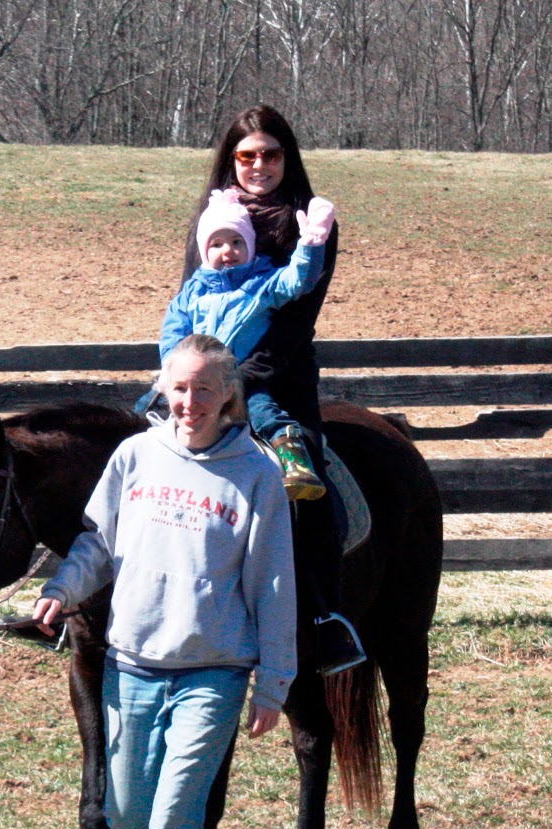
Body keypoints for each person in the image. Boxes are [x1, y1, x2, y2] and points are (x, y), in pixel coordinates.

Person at [31, 334, 297, 829]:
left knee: (175, 815)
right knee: (125, 812)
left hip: (215, 670)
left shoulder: (258, 474)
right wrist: (62, 588)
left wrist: (275, 680)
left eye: (205, 389)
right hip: (133, 663)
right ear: (162, 390)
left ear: (229, 395)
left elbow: (273, 585)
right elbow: (98, 543)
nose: (190, 402)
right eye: (179, 388)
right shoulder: (134, 458)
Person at [183, 104, 364, 676]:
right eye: (246, 155)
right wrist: (184, 371)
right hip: (202, 376)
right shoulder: (211, 216)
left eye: (270, 154)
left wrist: (237, 379)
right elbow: (190, 296)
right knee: (130, 454)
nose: (258, 165)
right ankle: (80, 601)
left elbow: (296, 318)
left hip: (276, 378)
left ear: (288, 157)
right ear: (229, 160)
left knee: (301, 481)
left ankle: (320, 617)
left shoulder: (311, 222)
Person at [158, 187, 337, 500]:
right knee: (147, 408)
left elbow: (298, 280)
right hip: (194, 379)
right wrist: (173, 372)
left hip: (241, 379)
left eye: (237, 241)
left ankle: (294, 458)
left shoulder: (262, 283)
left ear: (250, 246)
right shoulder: (193, 292)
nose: (228, 250)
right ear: (204, 250)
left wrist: (310, 243)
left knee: (262, 410)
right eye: (217, 243)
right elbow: (173, 333)